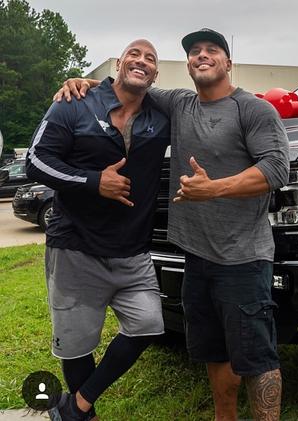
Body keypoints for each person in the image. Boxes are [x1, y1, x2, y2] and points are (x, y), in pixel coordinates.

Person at [55, 28, 290, 420]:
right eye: (195, 51)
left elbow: (277, 169)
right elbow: (131, 85)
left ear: (229, 63)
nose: (202, 55)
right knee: (214, 351)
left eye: (212, 49)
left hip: (243, 259)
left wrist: (214, 189)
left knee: (257, 357)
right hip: (196, 258)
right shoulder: (179, 103)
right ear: (188, 64)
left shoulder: (252, 109)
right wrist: (85, 82)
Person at [29, 39, 170, 421]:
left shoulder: (161, 117)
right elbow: (36, 160)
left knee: (148, 325)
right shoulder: (74, 103)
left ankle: (75, 406)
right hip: (76, 247)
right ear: (119, 63)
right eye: (134, 54)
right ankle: (85, 416)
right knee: (77, 345)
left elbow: (209, 110)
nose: (141, 60)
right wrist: (93, 181)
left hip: (132, 253)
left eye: (150, 58)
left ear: (155, 75)